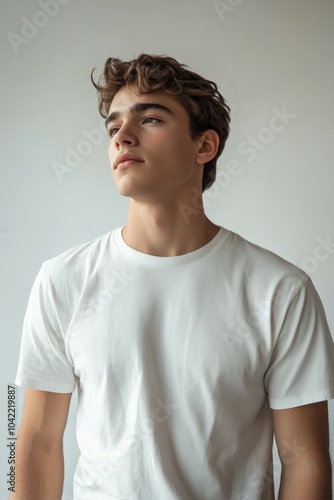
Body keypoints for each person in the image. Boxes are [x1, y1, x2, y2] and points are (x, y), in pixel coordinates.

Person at [13, 53, 334, 500]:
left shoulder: (280, 291)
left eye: (150, 119)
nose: (122, 137)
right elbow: (32, 441)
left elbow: (306, 459)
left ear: (204, 146)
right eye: (113, 127)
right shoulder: (62, 280)